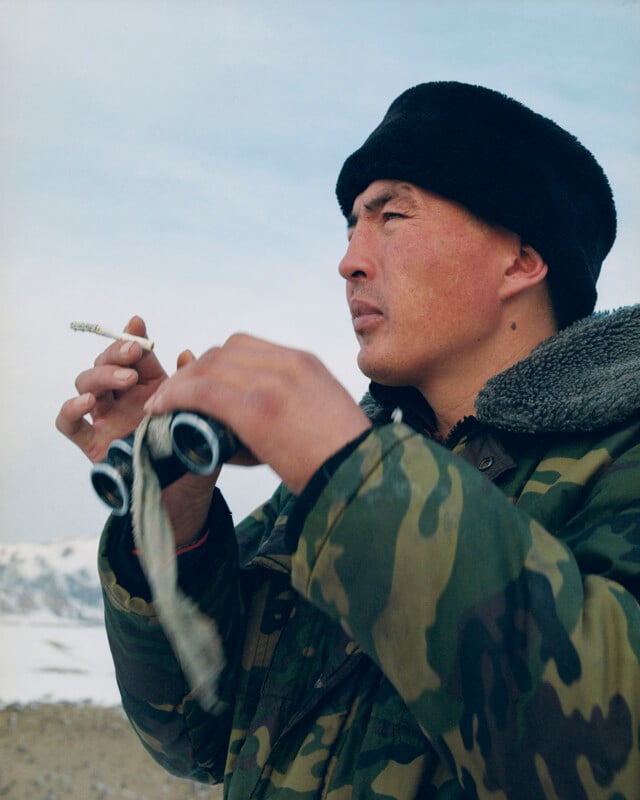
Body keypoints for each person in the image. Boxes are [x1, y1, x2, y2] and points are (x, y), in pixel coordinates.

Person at [56, 82, 640, 799]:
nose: (350, 262)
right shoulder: (348, 475)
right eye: (350, 228)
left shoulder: (618, 460)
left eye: (391, 215)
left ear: (521, 259)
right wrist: (172, 516)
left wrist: (350, 470)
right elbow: (194, 736)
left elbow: (612, 756)